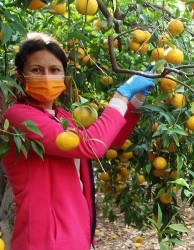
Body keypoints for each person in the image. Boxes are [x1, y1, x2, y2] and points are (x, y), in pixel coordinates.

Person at [0, 32, 155, 250]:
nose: (46, 77)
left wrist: (136, 100)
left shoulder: (62, 117)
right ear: (20, 76)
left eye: (54, 70)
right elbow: (91, 146)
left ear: (64, 75)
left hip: (76, 233)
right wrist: (122, 94)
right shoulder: (19, 117)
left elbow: (110, 140)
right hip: (43, 240)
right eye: (36, 70)